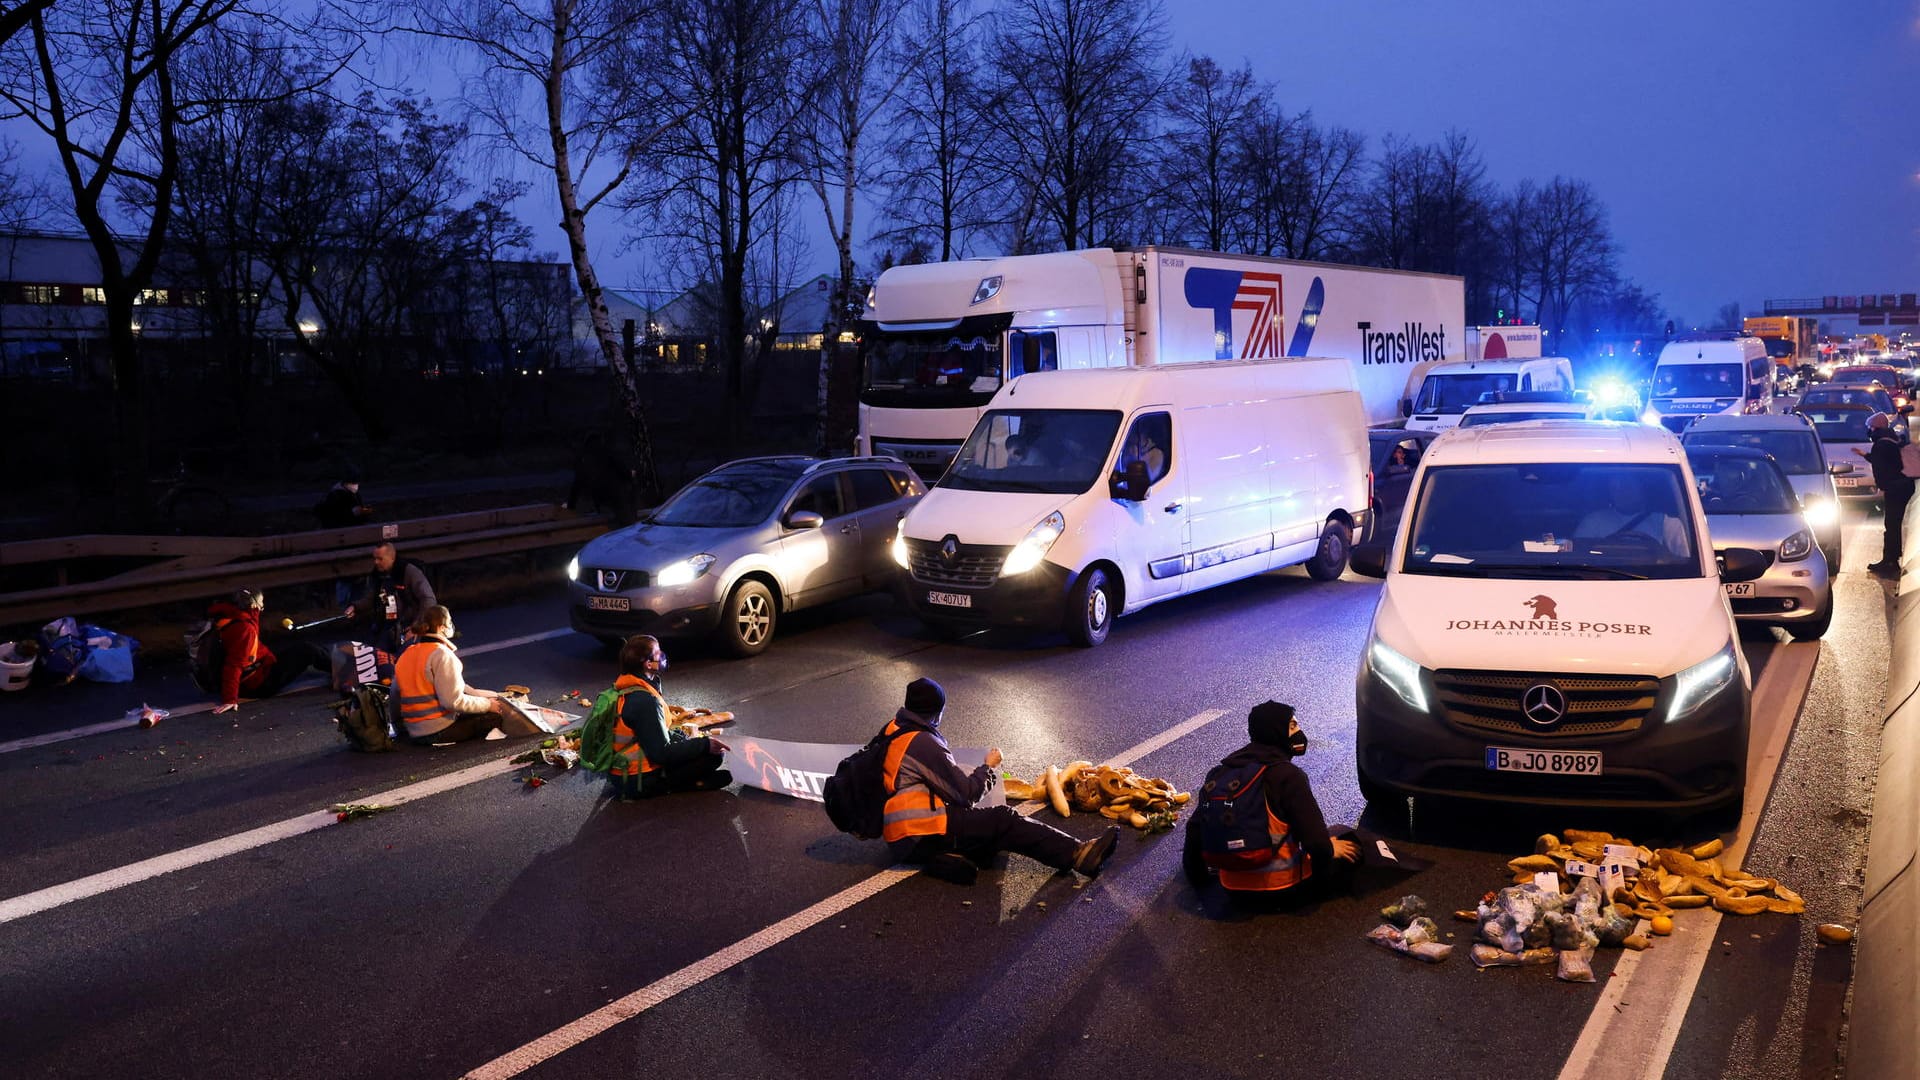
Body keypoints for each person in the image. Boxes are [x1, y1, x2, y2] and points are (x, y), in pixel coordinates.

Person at [874, 677, 1117, 885]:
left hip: (900, 834)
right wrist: (989, 767)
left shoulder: (894, 729)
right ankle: (1078, 854)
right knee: (1003, 818)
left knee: (988, 831)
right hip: (919, 832)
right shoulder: (923, 743)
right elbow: (967, 794)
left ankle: (950, 857)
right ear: (938, 712)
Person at [1183, 701, 1358, 899]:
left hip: (1232, 890)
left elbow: (1195, 831)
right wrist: (1323, 878)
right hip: (1283, 888)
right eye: (1292, 726)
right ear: (1276, 731)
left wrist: (1201, 883)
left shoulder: (1219, 773)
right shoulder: (1288, 776)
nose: (1299, 731)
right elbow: (1317, 844)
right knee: (1345, 838)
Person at [391, 605, 541, 744]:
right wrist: (489, 705)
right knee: (498, 715)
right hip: (438, 730)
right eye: (449, 622)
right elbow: (453, 701)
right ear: (441, 627)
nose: (451, 626)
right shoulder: (441, 654)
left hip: (414, 732)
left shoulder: (407, 655)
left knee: (485, 705)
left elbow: (395, 697)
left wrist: (400, 730)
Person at [605, 634, 731, 798]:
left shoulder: (623, 688)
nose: (662, 655)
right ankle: (671, 786)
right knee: (713, 757)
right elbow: (661, 753)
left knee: (694, 747)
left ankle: (689, 782)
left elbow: (647, 734)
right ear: (648, 663)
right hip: (637, 780)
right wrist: (704, 744)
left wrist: (680, 736)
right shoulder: (645, 700)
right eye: (658, 653)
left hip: (620, 773)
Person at [207, 589, 330, 715]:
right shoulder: (244, 629)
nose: (262, 607)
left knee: (304, 650)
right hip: (259, 684)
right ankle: (341, 669)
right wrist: (230, 699)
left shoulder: (231, 616)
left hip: (260, 666)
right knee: (307, 650)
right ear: (254, 605)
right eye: (261, 603)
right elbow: (233, 665)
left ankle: (332, 661)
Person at [345, 542, 436, 654]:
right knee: (378, 656)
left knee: (405, 657)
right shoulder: (378, 575)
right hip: (390, 626)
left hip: (410, 625)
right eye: (374, 558)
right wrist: (355, 607)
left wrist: (416, 627)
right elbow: (371, 599)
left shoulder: (409, 572)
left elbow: (428, 600)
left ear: (392, 558)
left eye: (380, 559)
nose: (376, 562)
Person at [1856, 412, 1914, 576]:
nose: (1869, 430)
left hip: (1896, 488)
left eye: (1871, 427)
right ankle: (1890, 559)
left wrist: (1885, 485)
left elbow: (1884, 465)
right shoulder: (1890, 440)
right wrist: (1865, 455)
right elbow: (1882, 460)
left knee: (1892, 525)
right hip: (1902, 487)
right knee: (1893, 524)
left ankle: (1890, 561)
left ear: (1876, 428)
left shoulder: (1882, 444)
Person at [1574, 473, 1689, 556]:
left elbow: (1684, 561)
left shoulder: (1667, 523)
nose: (1621, 492)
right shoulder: (1593, 521)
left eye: (1627, 486)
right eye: (1615, 487)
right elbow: (1578, 555)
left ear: (1642, 488)